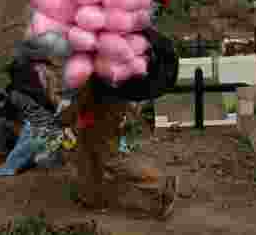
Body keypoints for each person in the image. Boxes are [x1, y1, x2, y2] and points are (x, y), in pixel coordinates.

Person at [61, 82, 178, 219]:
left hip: (101, 108)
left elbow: (86, 92)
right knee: (89, 154)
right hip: (104, 106)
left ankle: (162, 185)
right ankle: (93, 198)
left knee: (111, 158)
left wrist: (68, 115)